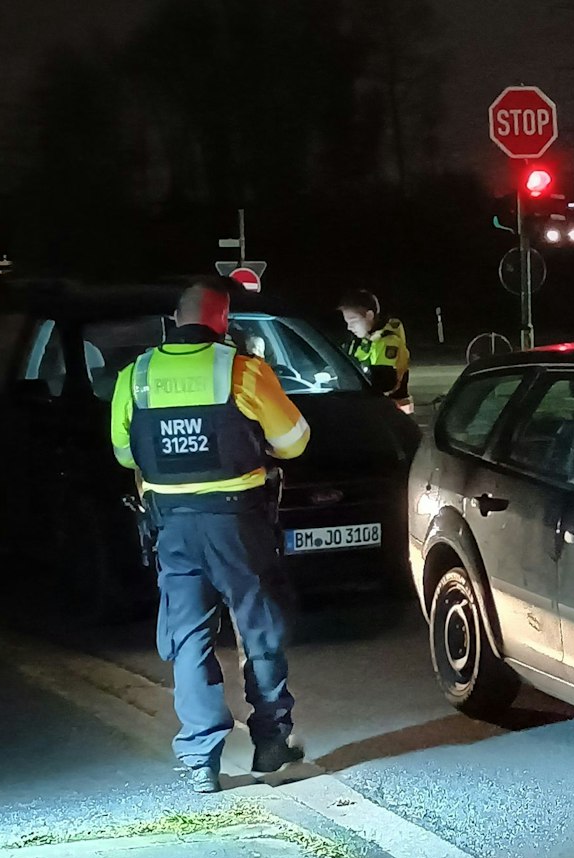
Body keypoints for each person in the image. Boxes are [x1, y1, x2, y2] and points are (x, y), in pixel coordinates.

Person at [109, 280, 312, 793]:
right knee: (259, 630)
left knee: (189, 640)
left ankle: (200, 759)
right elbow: (294, 442)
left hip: (172, 526)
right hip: (237, 524)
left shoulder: (137, 376)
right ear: (223, 320)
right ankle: (270, 742)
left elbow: (125, 454)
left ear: (175, 319)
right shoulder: (241, 371)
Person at [339, 289, 411, 411]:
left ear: (369, 316)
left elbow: (383, 382)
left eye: (353, 321)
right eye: (347, 322)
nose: (349, 327)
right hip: (379, 408)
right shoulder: (368, 339)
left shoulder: (388, 341)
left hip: (389, 411)